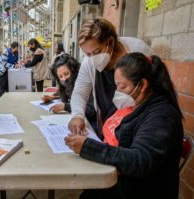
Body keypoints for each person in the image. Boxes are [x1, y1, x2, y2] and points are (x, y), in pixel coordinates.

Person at [65, 53, 183, 199]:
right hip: (112, 178)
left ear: (143, 85)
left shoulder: (162, 116)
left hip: (137, 190)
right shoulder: (132, 103)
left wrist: (88, 147)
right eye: (116, 86)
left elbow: (139, 160)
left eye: (122, 86)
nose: (118, 92)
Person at [68, 18, 151, 137]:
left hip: (136, 123)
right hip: (108, 125)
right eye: (88, 54)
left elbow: (154, 87)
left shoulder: (138, 50)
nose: (92, 58)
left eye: (97, 51)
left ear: (110, 42)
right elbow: (80, 92)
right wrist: (77, 115)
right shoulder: (89, 62)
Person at [42, 54, 96, 129]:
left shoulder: (85, 84)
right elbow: (67, 90)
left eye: (66, 74)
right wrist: (54, 96)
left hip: (91, 125)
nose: (64, 79)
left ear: (74, 71)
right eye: (60, 76)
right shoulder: (69, 84)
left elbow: (91, 109)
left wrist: (66, 106)